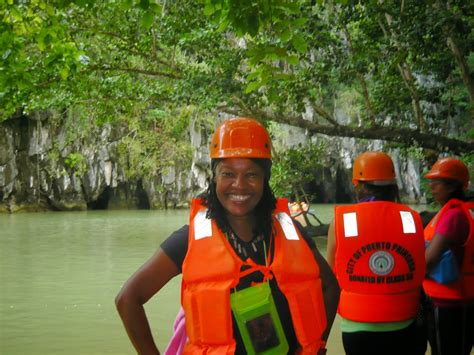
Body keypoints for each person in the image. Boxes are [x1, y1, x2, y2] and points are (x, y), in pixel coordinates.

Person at [115, 117, 340, 354]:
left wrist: (317, 343)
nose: (239, 185)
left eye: (251, 175)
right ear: (214, 177)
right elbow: (128, 299)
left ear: (265, 179)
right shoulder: (189, 239)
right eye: (228, 174)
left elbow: (331, 288)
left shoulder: (291, 231)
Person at [326, 151, 426, 355]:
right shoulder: (411, 219)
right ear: (392, 185)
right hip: (404, 321)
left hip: (356, 327)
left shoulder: (343, 221)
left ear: (357, 184)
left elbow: (329, 275)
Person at [423, 157, 474, 355]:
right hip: (463, 301)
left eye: (437, 182)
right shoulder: (465, 211)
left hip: (447, 304)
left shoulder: (453, 216)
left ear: (452, 187)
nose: (432, 186)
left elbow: (429, 260)